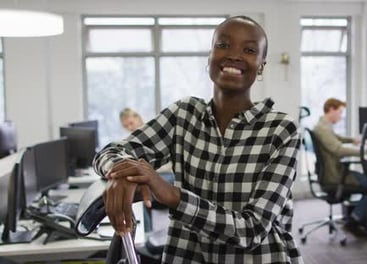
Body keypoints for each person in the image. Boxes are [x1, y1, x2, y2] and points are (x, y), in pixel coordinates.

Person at [93, 16, 303, 263]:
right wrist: (124, 174)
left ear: (261, 65)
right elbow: (109, 152)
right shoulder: (184, 114)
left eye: (248, 50)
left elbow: (252, 229)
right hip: (187, 255)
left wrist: (172, 195)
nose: (234, 55)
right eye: (223, 45)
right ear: (210, 56)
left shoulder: (281, 129)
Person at [313, 98, 367, 236]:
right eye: (340, 112)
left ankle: (360, 219)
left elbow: (337, 139)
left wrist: (352, 140)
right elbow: (338, 150)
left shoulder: (323, 126)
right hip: (334, 175)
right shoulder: (323, 128)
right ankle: (355, 221)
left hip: (334, 171)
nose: (341, 115)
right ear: (331, 109)